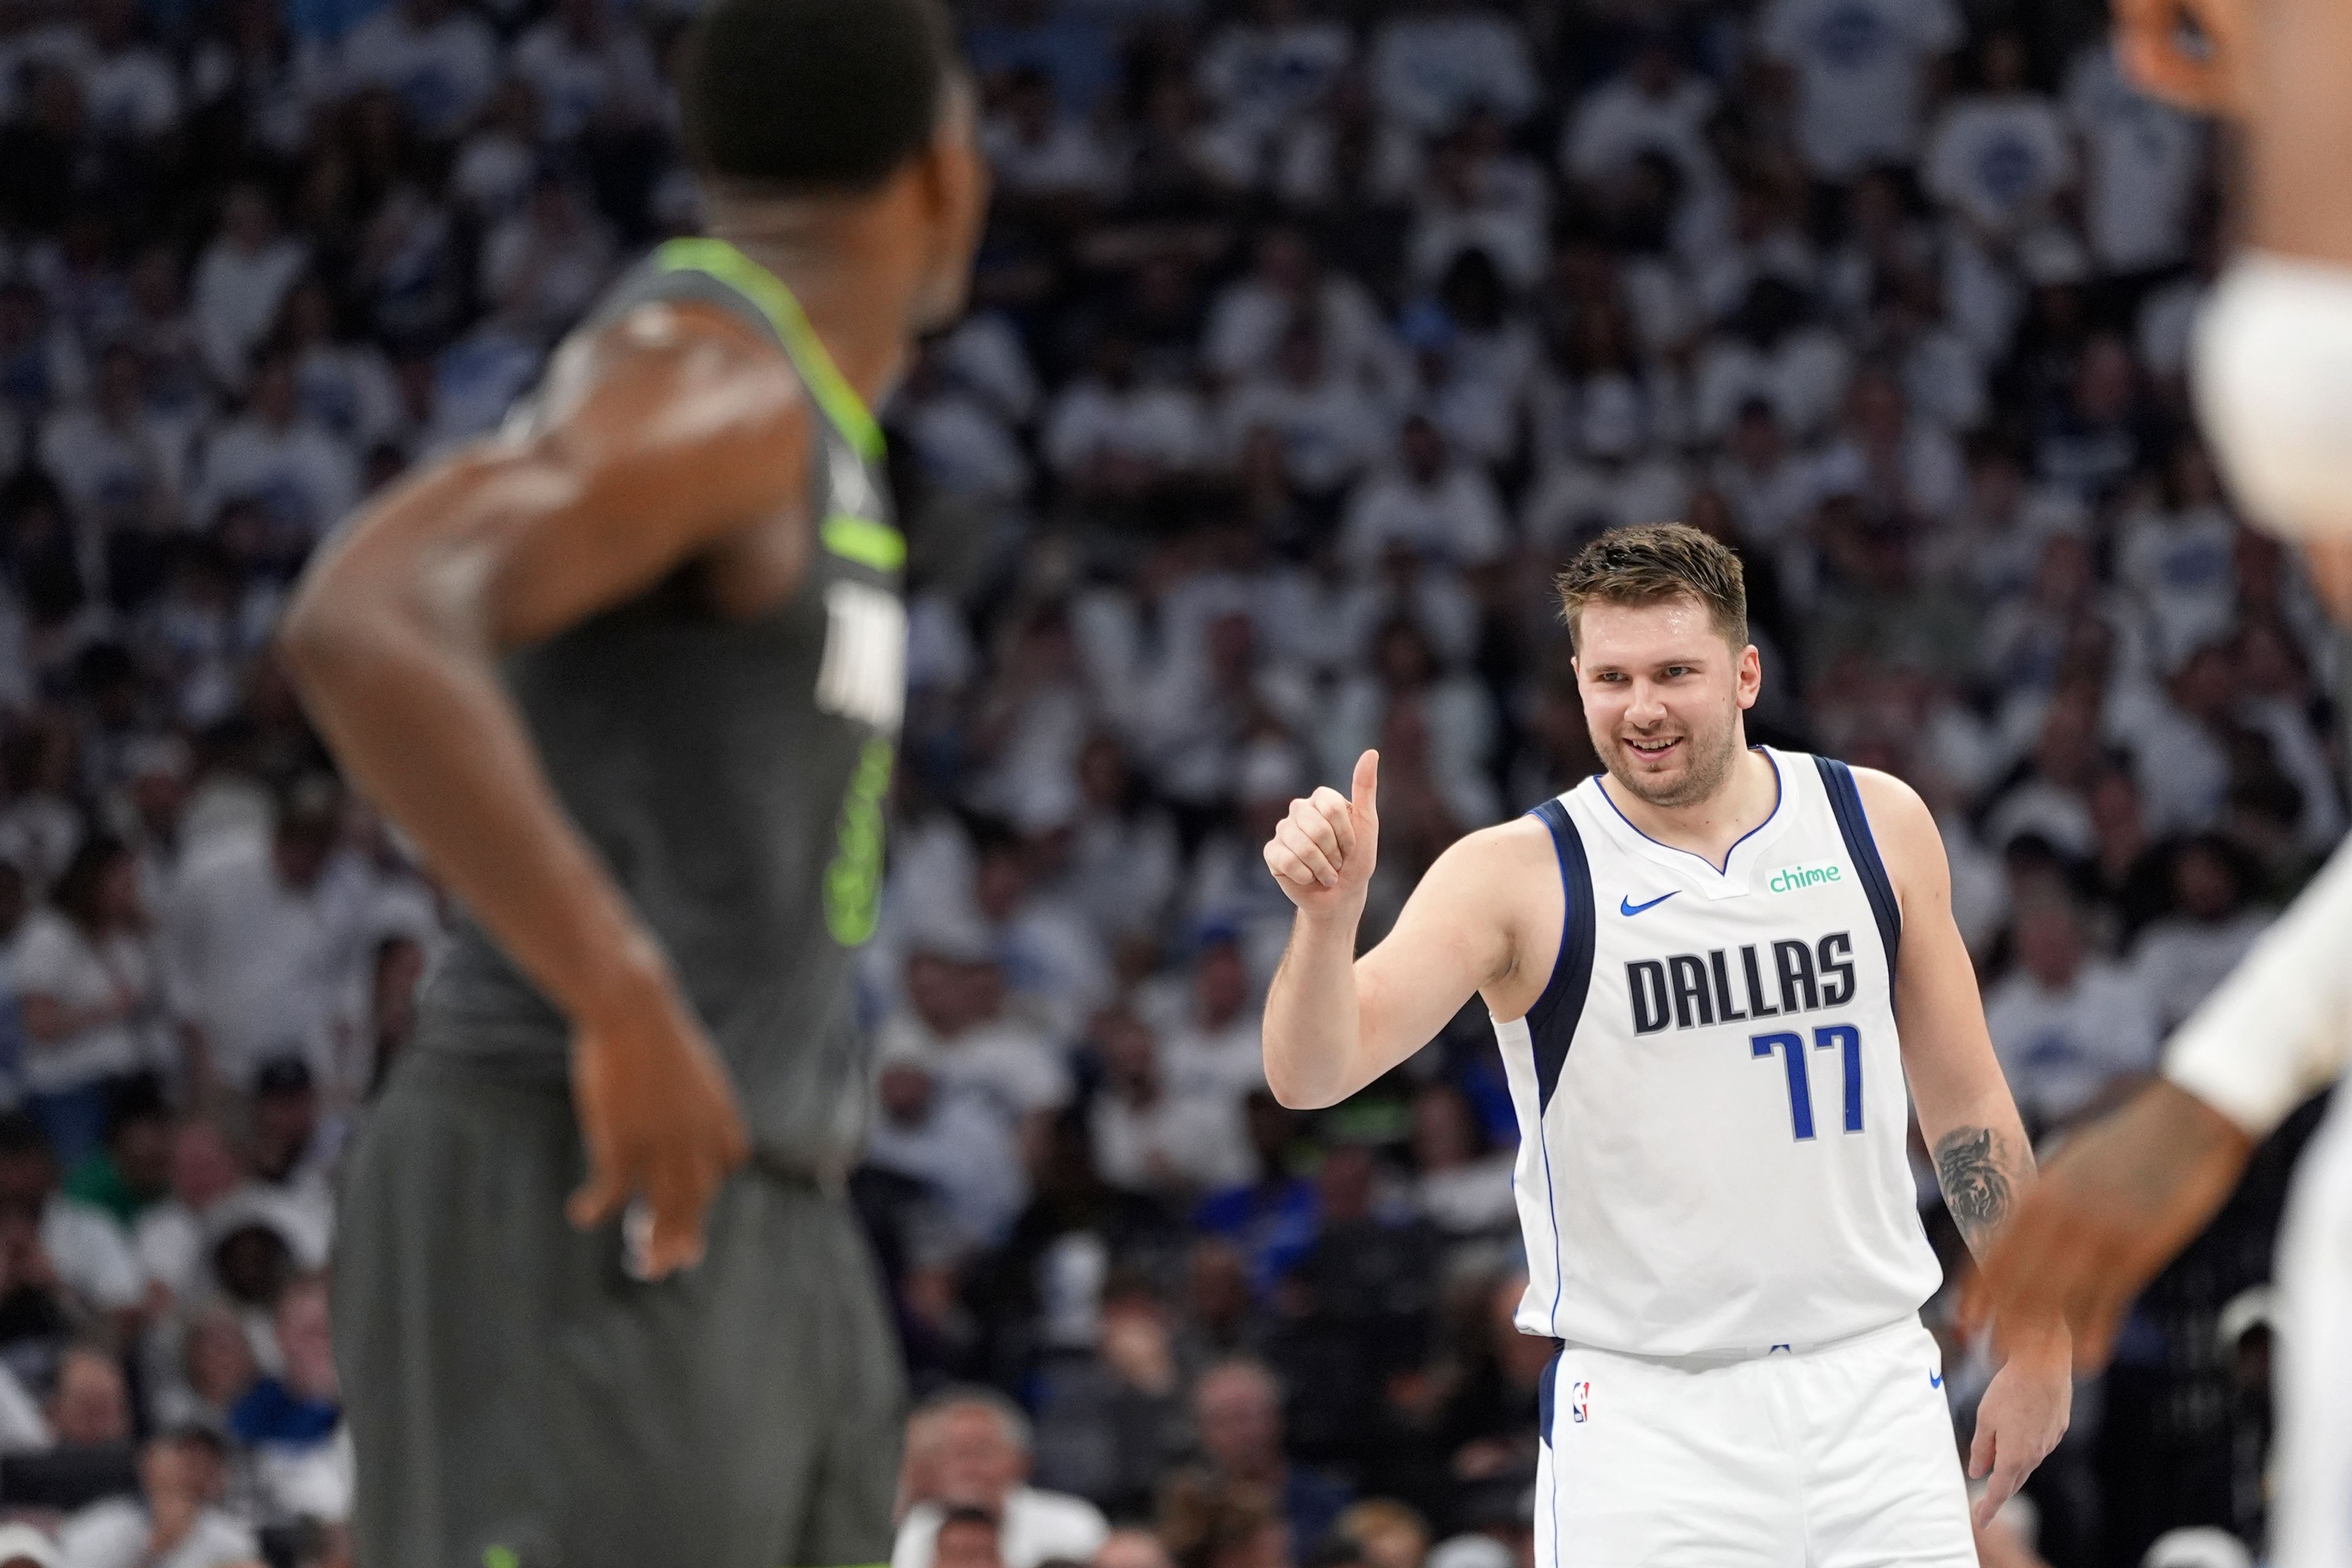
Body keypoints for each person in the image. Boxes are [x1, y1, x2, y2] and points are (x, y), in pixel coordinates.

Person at [273, 0, 990, 1564]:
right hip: (575, 1175)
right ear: (945, 176)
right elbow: (367, 613)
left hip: (770, 1195)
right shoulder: (708, 380)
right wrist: (617, 988)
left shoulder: (803, 417)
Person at [1258, 524, 2070, 1566]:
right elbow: (1311, 1075)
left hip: (1874, 1386)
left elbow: (1966, 1103)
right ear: (1577, 681)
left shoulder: (1876, 822)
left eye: (1675, 673)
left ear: (1744, 673)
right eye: (1613, 678)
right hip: (1651, 1420)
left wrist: (2042, 1333)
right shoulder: (1515, 873)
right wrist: (1327, 923)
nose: (1641, 708)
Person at [894, 1389, 1109, 1568]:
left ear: (1022, 1461)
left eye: (982, 1452)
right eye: (955, 1453)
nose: (968, 1467)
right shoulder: (914, 1528)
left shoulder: (1073, 1524)